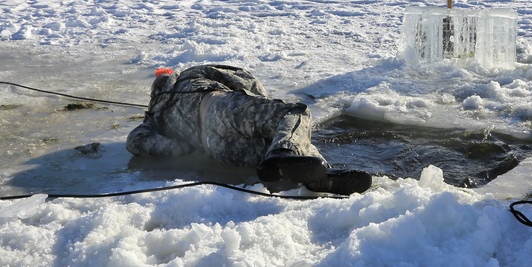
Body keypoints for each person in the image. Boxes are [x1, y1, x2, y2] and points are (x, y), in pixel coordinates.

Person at [127, 65, 372, 195]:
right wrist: (262, 105)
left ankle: (316, 176)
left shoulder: (154, 117)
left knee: (275, 156)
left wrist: (180, 147)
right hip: (218, 109)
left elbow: (136, 142)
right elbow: (245, 81)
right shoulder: (193, 75)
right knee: (292, 114)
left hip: (215, 148)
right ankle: (301, 164)